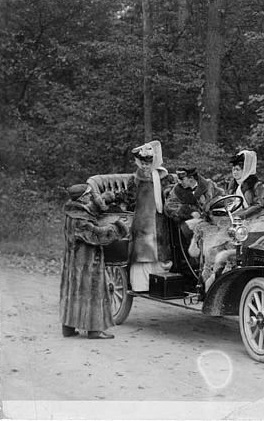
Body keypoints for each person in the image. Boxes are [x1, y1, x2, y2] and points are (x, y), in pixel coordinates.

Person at [59, 183, 129, 340]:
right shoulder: (80, 219)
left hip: (74, 261)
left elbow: (89, 212)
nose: (92, 196)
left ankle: (68, 327)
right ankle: (95, 330)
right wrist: (118, 227)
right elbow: (96, 235)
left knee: (73, 293)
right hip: (87, 262)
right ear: (83, 197)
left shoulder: (73, 212)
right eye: (89, 194)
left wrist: (102, 203)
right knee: (92, 293)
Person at [129, 140, 172, 291]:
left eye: (148, 163)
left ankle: (158, 282)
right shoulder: (137, 178)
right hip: (142, 219)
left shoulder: (162, 176)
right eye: (143, 163)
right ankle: (141, 284)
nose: (146, 166)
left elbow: (168, 192)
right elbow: (130, 196)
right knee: (143, 250)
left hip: (158, 218)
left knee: (158, 247)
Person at [163, 166, 224, 242]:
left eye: (182, 179)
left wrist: (213, 205)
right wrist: (190, 211)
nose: (179, 182)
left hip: (211, 220)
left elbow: (221, 197)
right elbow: (169, 206)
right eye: (179, 179)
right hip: (190, 222)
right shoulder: (177, 190)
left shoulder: (208, 185)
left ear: (191, 178)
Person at [226, 150, 264, 220]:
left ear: (245, 170)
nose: (234, 172)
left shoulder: (257, 186)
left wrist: (241, 215)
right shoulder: (233, 185)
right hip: (234, 218)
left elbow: (260, 206)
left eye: (238, 170)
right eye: (233, 169)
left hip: (256, 218)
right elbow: (229, 202)